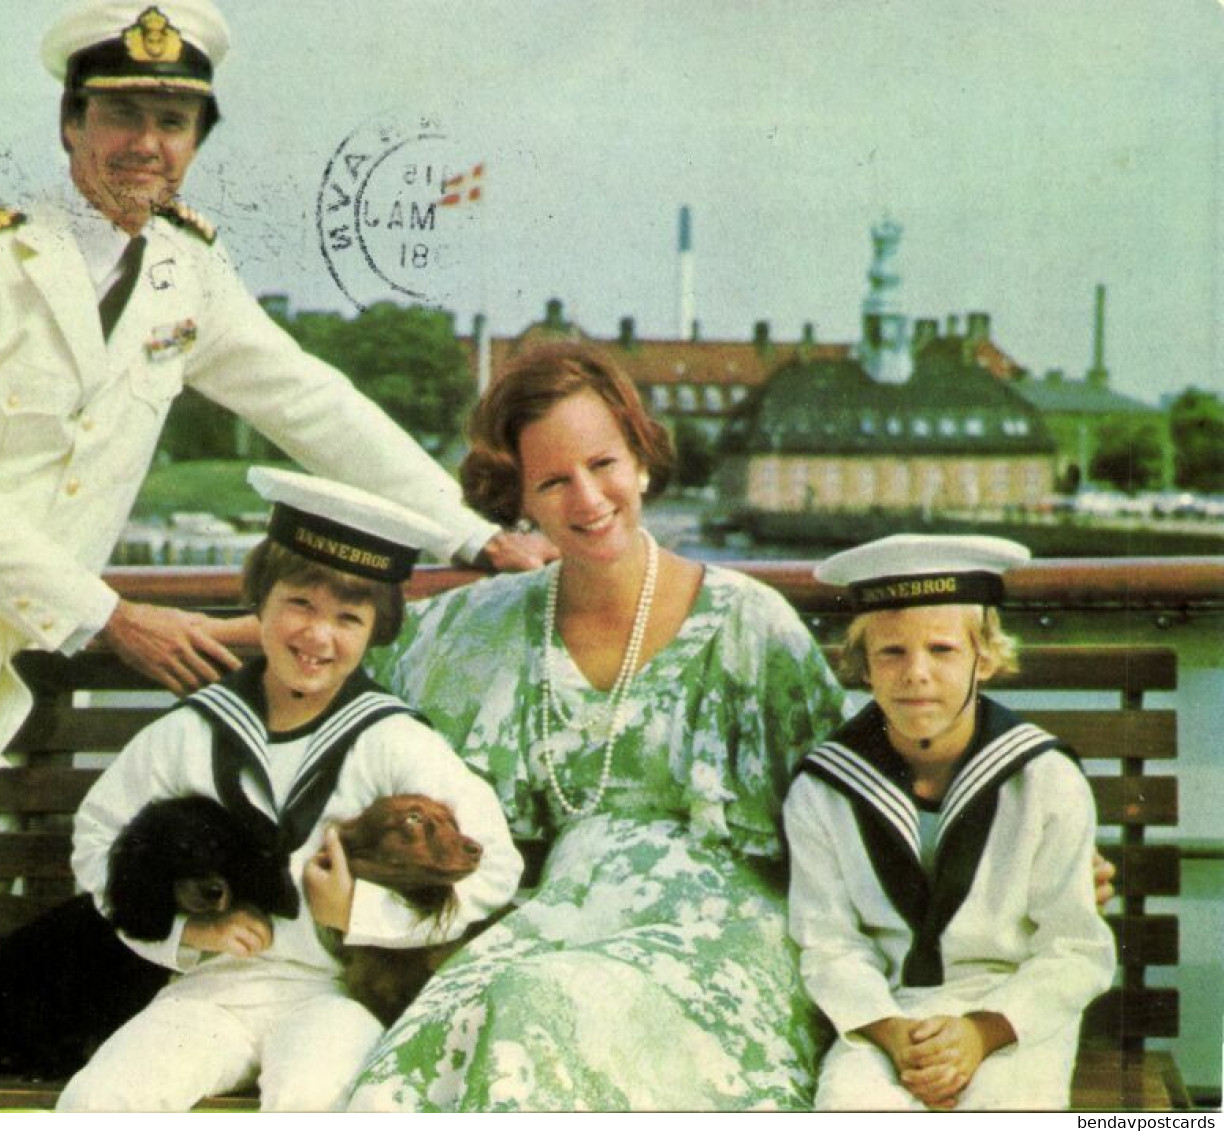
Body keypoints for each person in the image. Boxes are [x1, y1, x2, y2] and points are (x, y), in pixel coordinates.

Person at [0, 0, 544, 1110]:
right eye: (121, 114)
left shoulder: (183, 275)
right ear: (71, 124)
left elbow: (309, 401)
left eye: (173, 119)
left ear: (197, 143)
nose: (145, 143)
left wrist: (469, 532)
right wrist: (112, 617)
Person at [344, 342, 850, 1111]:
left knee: (534, 1004)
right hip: (546, 924)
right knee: (449, 1040)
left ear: (642, 459)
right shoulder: (471, 631)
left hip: (716, 941)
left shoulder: (751, 625)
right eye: (553, 480)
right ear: (522, 500)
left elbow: (864, 797)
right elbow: (328, 698)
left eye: (604, 463)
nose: (587, 499)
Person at [56, 468, 522, 1111]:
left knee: (312, 1099)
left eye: (348, 618)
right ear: (261, 604)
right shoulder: (193, 732)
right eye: (298, 605)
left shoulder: (391, 741)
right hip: (212, 993)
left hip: (338, 992)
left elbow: (494, 864)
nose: (317, 636)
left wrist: (361, 916)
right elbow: (97, 840)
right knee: (98, 1101)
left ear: (374, 632)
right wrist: (184, 931)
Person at [783, 535, 1115, 1111]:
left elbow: (1073, 948)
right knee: (850, 1108)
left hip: (1012, 1011)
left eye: (941, 649)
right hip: (888, 1012)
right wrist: (889, 1031)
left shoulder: (1044, 780)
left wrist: (981, 1032)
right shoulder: (823, 789)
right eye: (891, 653)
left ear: (984, 658)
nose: (916, 673)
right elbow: (830, 942)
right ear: (862, 665)